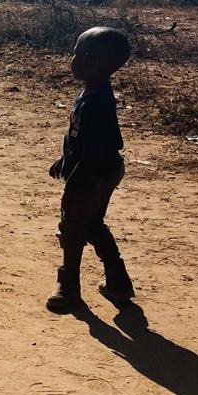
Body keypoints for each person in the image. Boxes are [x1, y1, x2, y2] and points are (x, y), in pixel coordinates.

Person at [46, 26, 135, 313]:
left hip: (94, 174)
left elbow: (96, 150)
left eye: (77, 55)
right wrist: (65, 159)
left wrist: (76, 184)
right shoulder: (93, 91)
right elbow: (80, 136)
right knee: (93, 224)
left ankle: (69, 288)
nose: (71, 61)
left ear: (93, 61)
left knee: (72, 227)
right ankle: (118, 281)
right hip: (102, 169)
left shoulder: (97, 103)